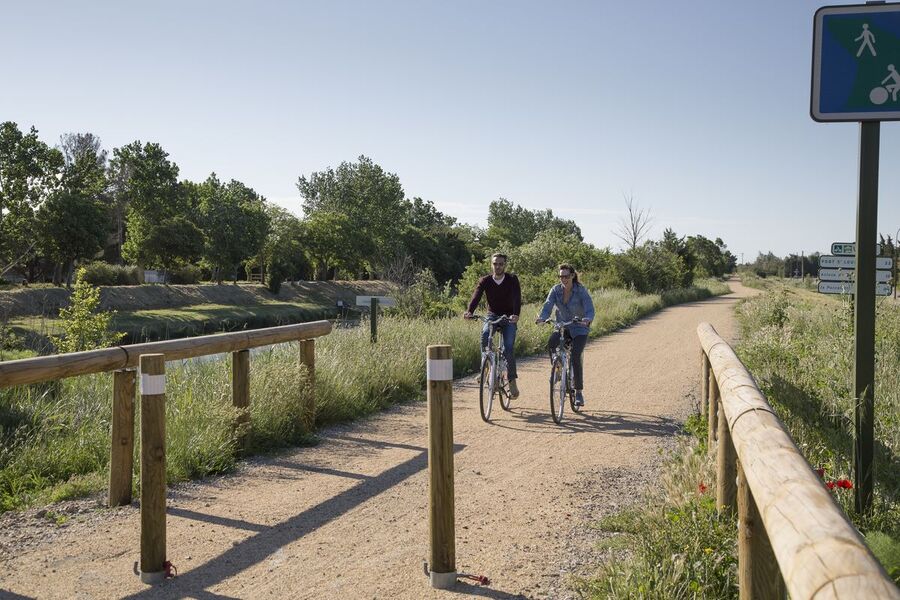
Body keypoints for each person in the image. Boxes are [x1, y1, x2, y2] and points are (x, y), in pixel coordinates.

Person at [535, 263, 595, 407]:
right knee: (551, 343)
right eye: (561, 276)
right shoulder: (555, 290)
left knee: (575, 355)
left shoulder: (581, 290)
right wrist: (543, 317)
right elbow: (548, 305)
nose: (563, 279)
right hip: (563, 326)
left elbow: (589, 307)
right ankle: (558, 369)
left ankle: (578, 391)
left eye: (566, 276)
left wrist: (587, 319)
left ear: (572, 276)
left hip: (580, 328)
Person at [464, 253, 522, 398]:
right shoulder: (485, 280)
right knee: (485, 337)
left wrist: (516, 314)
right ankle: (485, 369)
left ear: (505, 265)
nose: (498, 266)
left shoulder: (512, 279)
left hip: (509, 316)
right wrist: (470, 311)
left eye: (501, 264)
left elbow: (517, 297)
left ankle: (512, 380)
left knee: (508, 348)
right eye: (495, 264)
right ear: (491, 264)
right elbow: (476, 295)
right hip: (492, 315)